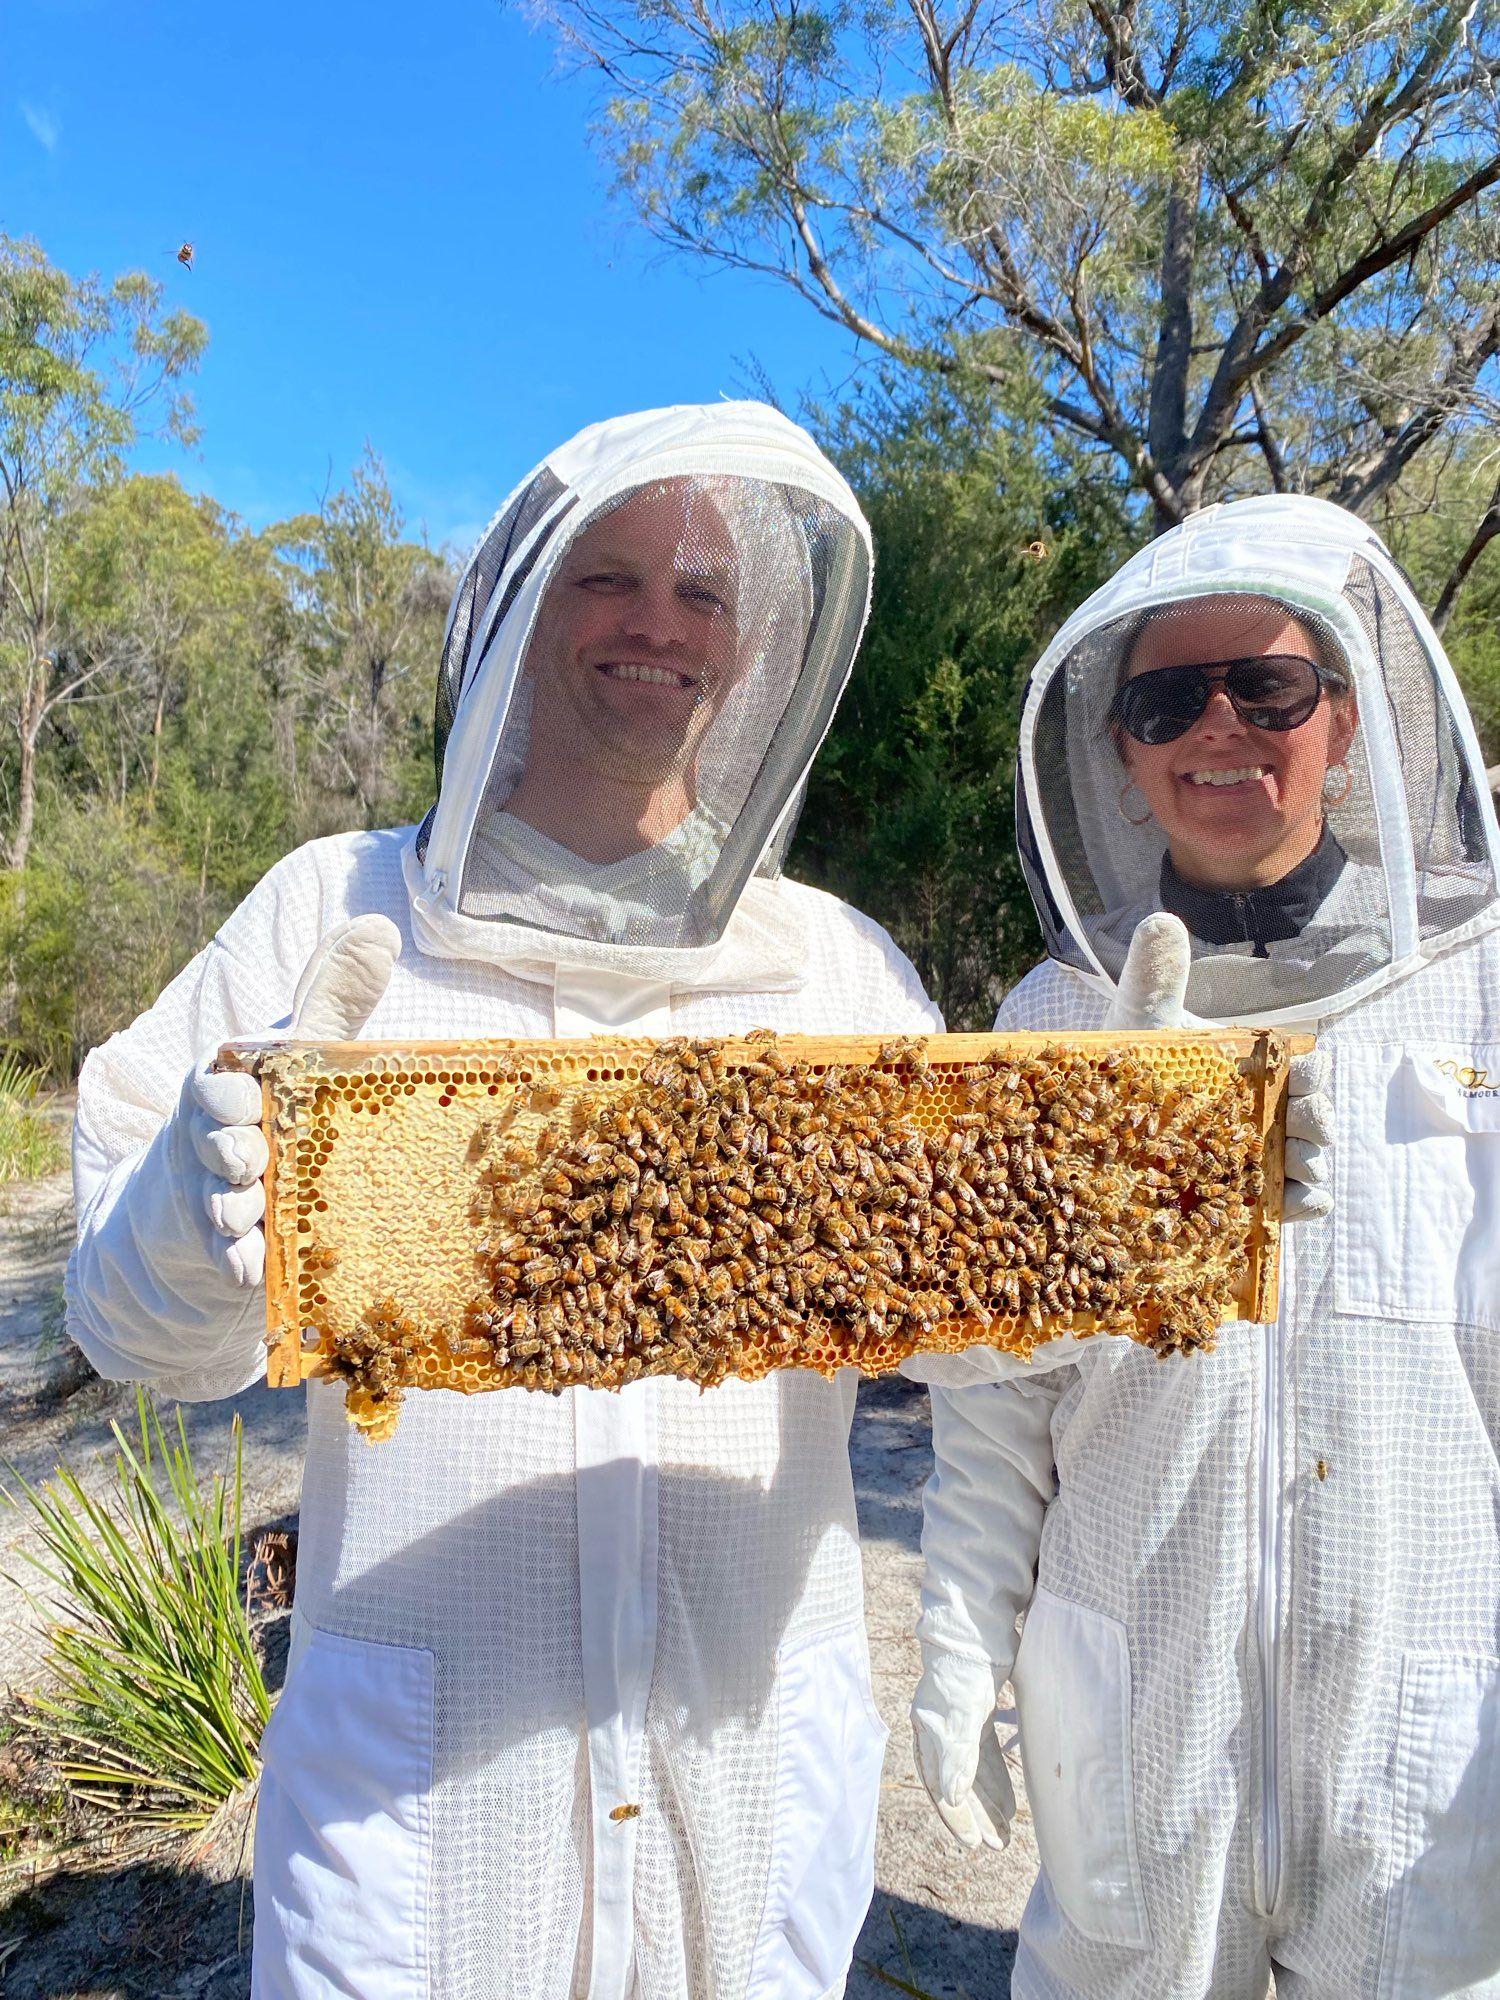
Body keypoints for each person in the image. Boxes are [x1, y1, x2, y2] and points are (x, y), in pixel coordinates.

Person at [67, 402, 942, 2000]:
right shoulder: (329, 913)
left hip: (742, 1778)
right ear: (520, 605)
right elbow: (135, 1335)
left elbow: (981, 1342)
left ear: (755, 653)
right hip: (423, 1799)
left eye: (703, 592)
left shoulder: (837, 966)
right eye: (610, 577)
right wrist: (196, 1212)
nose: (659, 622)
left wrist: (1188, 1204)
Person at [909, 494, 1500, 1998]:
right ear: (1117, 748)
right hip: (1139, 1729)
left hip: (1421, 1732)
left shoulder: (1478, 996)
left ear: (1348, 723)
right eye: (1169, 698)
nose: (1218, 726)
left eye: (1270, 686)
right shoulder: (1050, 1020)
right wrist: (960, 1632)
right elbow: (994, 1404)